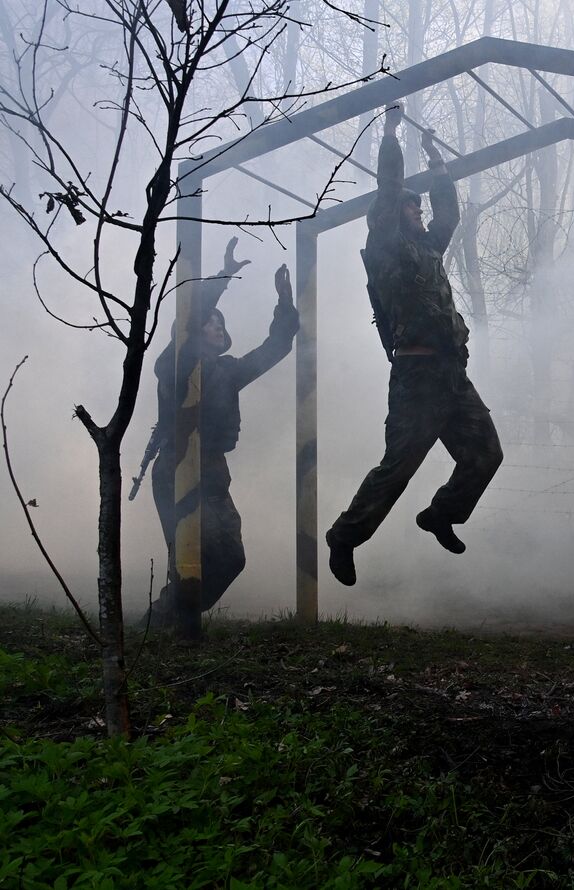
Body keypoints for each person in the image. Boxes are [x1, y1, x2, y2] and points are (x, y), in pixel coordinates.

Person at [325, 104, 502, 586]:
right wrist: (389, 132)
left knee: (486, 453)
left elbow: (448, 213)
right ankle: (344, 536)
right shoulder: (387, 247)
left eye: (418, 207)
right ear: (390, 215)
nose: (419, 212)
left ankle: (441, 514)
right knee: (398, 467)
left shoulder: (426, 248)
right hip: (416, 377)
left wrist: (438, 163)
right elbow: (387, 188)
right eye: (411, 206)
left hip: (449, 374)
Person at [142, 238, 299, 637]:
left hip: (212, 469)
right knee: (190, 557)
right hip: (176, 467)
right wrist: (223, 276)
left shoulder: (228, 371)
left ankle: (169, 618)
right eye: (209, 321)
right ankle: (166, 627)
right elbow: (190, 311)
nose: (216, 325)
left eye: (221, 323)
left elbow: (275, 347)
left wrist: (284, 304)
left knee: (230, 557)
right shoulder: (173, 364)